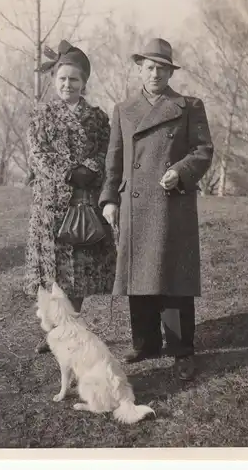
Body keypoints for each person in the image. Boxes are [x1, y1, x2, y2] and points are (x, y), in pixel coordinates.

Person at [99, 38, 213, 380]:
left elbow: (204, 150)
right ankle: (145, 342)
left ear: (170, 72)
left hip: (172, 202)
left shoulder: (189, 105)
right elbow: (114, 160)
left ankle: (180, 349)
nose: (155, 73)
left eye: (162, 68)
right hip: (135, 204)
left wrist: (179, 171)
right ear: (140, 69)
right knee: (139, 276)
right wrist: (108, 199)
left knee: (173, 278)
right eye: (149, 67)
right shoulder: (123, 109)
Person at [24, 40, 116, 353]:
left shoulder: (98, 118)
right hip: (51, 204)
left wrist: (90, 169)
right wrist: (68, 172)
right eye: (62, 78)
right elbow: (38, 153)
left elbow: (107, 150)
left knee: (80, 270)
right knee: (52, 272)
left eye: (74, 79)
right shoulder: (41, 115)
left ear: (84, 83)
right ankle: (51, 329)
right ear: (54, 81)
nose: (68, 84)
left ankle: (69, 327)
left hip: (84, 202)